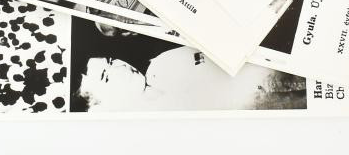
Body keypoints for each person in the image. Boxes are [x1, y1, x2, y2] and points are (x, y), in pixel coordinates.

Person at [75, 47, 305, 111]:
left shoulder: (161, 63)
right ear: (99, 106)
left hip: (286, 75)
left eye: (111, 60)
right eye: (106, 77)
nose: (121, 66)